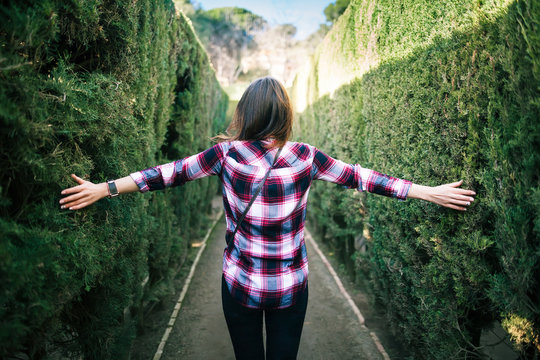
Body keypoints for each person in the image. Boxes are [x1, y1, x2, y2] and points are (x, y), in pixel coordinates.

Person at [59, 76, 476, 360]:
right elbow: (366, 179)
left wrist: (105, 187)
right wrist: (425, 191)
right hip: (290, 287)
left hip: (239, 283)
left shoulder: (224, 155)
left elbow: (164, 175)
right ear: (285, 115)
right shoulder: (306, 157)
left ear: (247, 113)